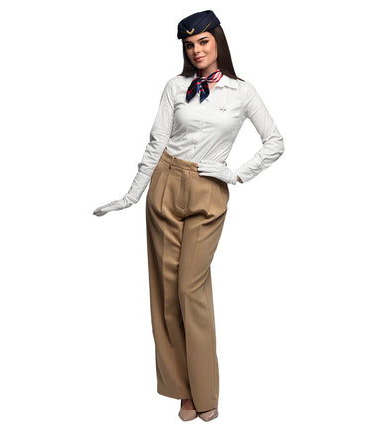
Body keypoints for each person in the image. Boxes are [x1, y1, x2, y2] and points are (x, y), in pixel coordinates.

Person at [93, 9, 284, 422]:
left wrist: (236, 174)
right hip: (166, 182)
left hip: (207, 190)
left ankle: (205, 391)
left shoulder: (242, 92)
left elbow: (275, 142)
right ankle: (182, 390)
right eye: (189, 44)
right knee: (166, 293)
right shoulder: (175, 86)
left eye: (203, 41)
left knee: (190, 290)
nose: (196, 50)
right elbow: (156, 140)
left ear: (218, 41)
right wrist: (131, 194)